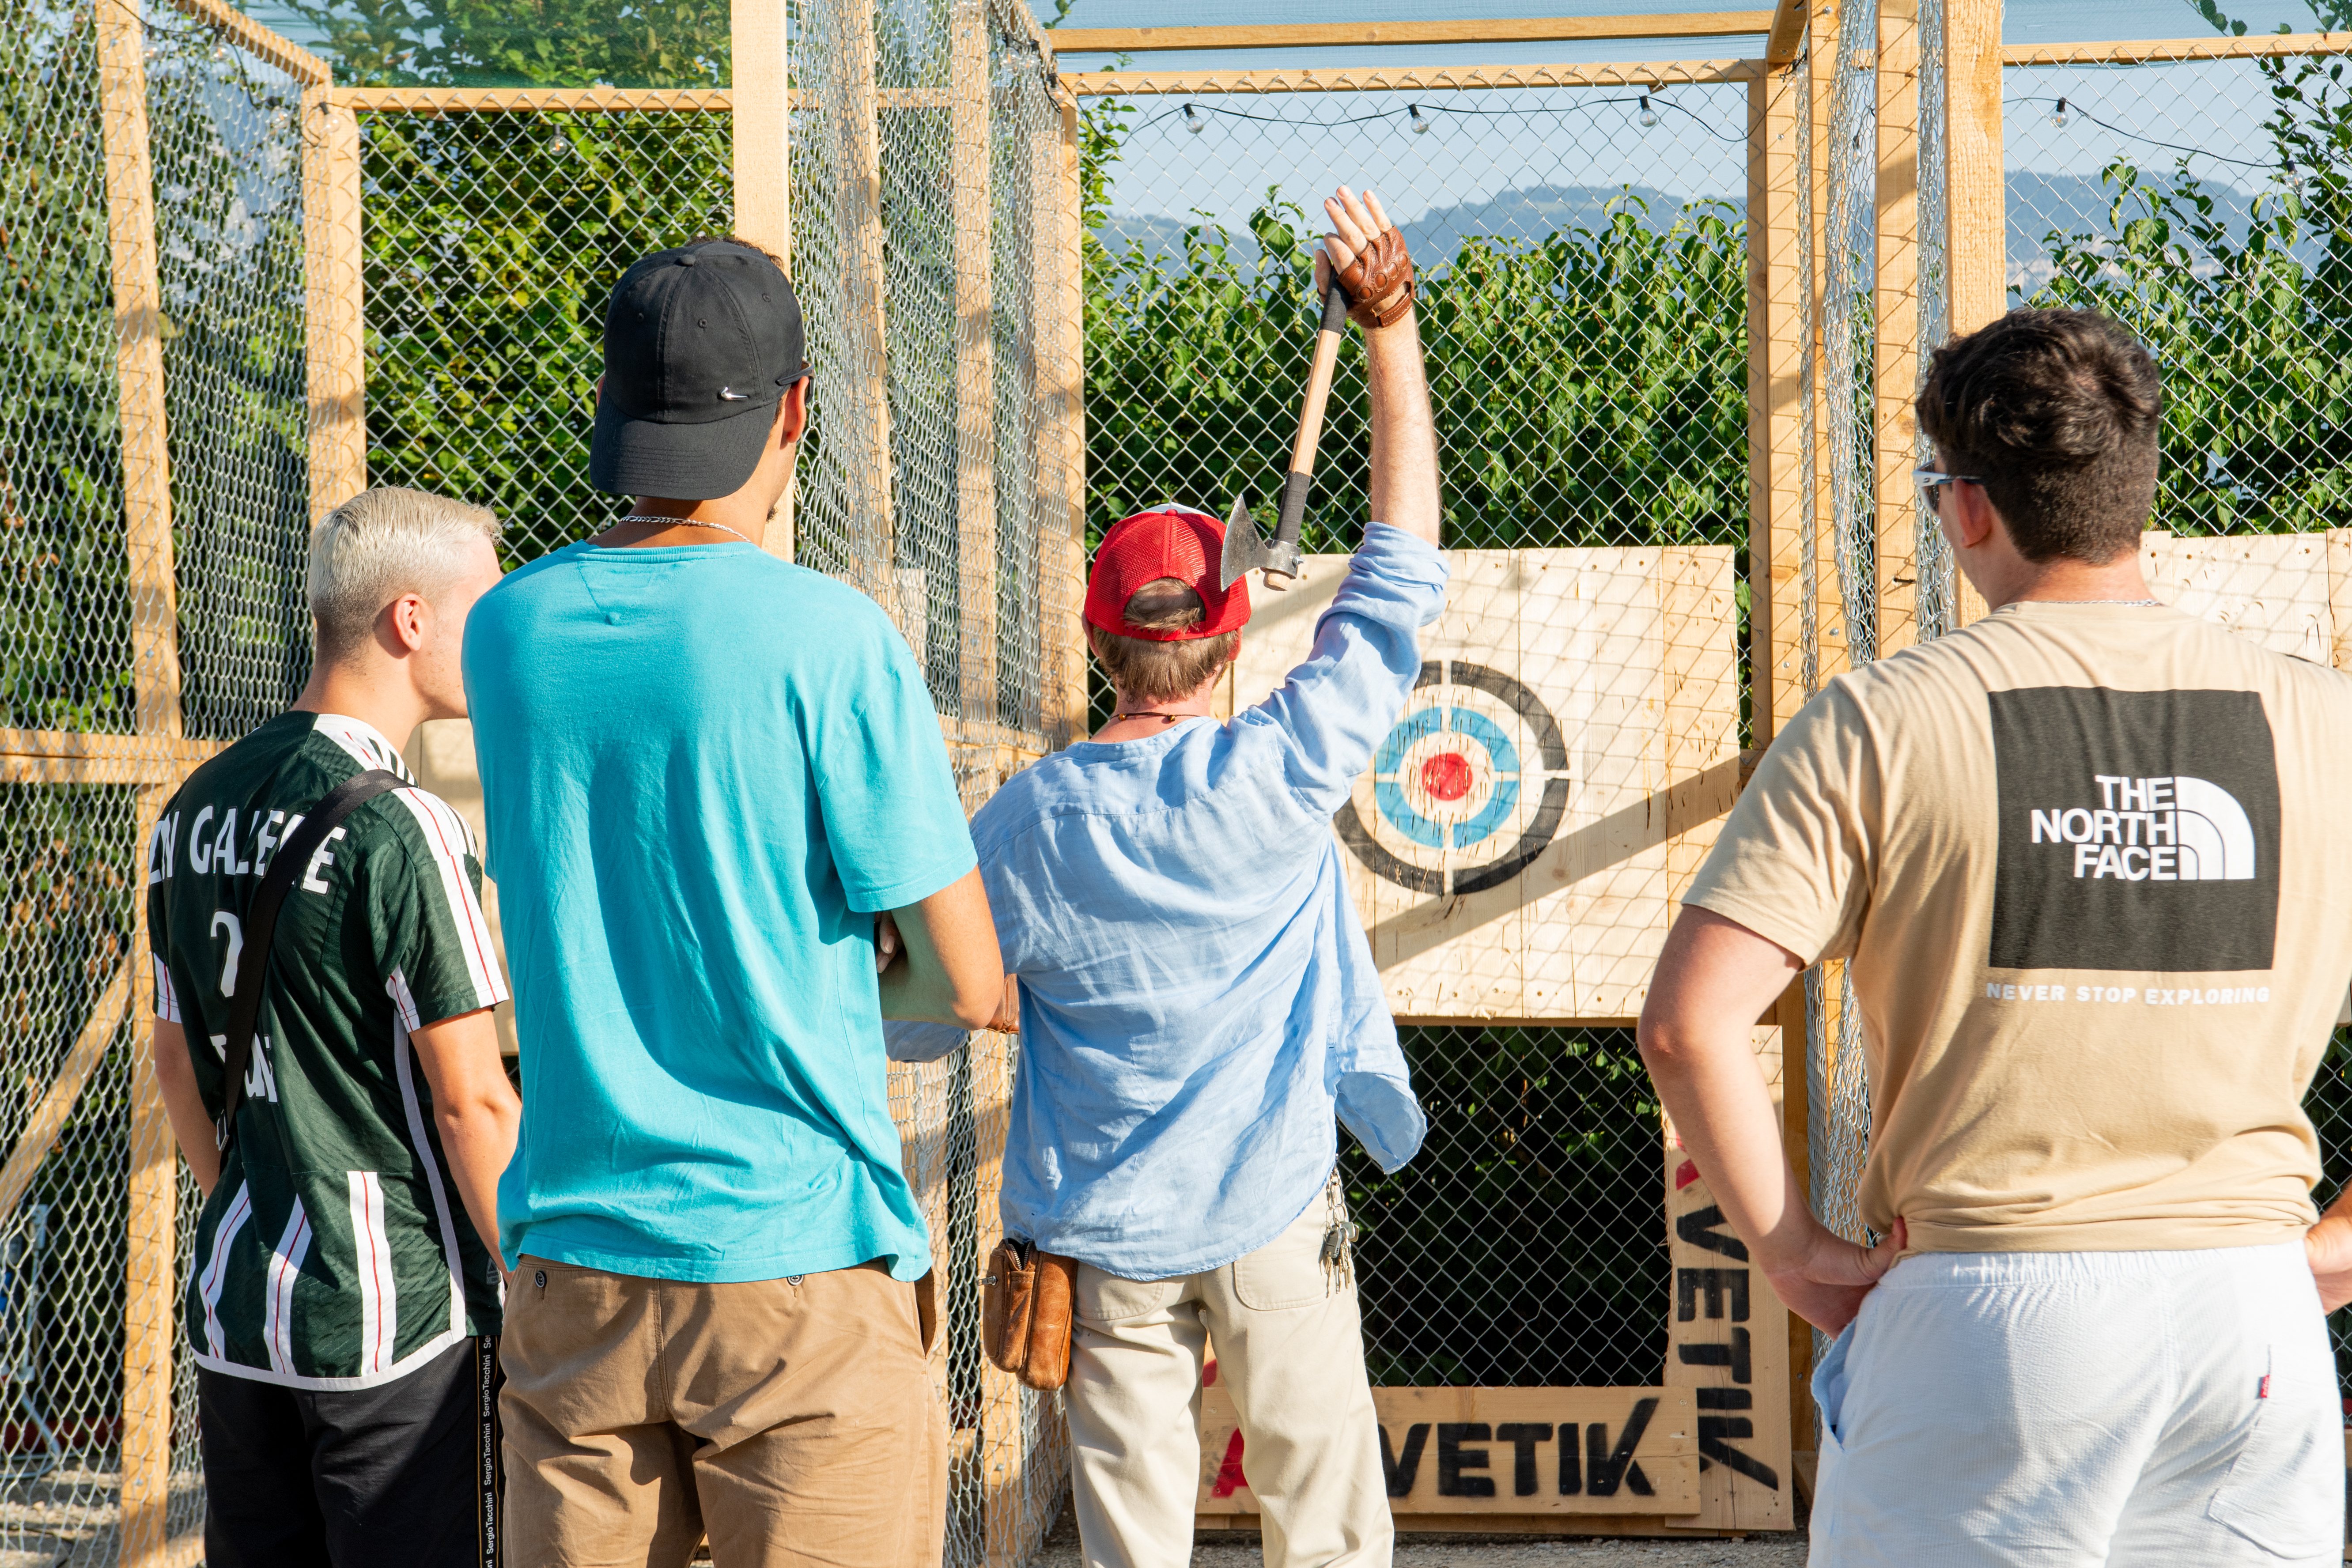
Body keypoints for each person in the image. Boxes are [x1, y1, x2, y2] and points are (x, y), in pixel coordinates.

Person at [1637, 307, 2352, 1567]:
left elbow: (1686, 1024)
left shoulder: (1882, 720)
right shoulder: (2319, 720)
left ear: (1967, 507)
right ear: (2133, 487)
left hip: (1984, 1308)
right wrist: (2333, 1251)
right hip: (2249, 1313)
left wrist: (1796, 1255)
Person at [904, 186, 1440, 1568]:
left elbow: (932, 997)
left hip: (1099, 1236)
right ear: (1229, 647)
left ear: (1100, 652)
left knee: (1130, 1544)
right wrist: (1389, 329)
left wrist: (1016, 997)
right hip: (1269, 1210)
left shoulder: (1023, 825)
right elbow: (1399, 571)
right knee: (1323, 1532)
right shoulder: (1277, 771)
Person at [462, 235, 1005, 1567]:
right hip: (795, 1264)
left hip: (576, 1270)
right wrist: (832, 970)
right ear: (792, 411)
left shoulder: (504, 629)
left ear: (611, 417)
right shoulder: (830, 638)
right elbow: (965, 984)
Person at [146, 485, 518, 1568]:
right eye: (478, 610)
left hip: (240, 1309)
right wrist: (534, 1282)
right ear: (411, 621)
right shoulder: (405, 827)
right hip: (390, 1322)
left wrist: (258, 1205)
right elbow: (471, 1099)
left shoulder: (193, 807)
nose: (490, 638)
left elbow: (177, 1063)